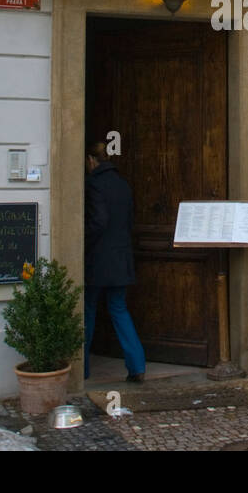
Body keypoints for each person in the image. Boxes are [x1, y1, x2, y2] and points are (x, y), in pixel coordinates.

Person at [83, 142, 146, 383]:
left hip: (97, 259)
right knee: (119, 309)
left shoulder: (93, 184)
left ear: (91, 160)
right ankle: (137, 365)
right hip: (121, 258)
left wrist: (83, 241)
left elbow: (98, 221)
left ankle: (83, 369)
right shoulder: (123, 185)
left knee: (88, 310)